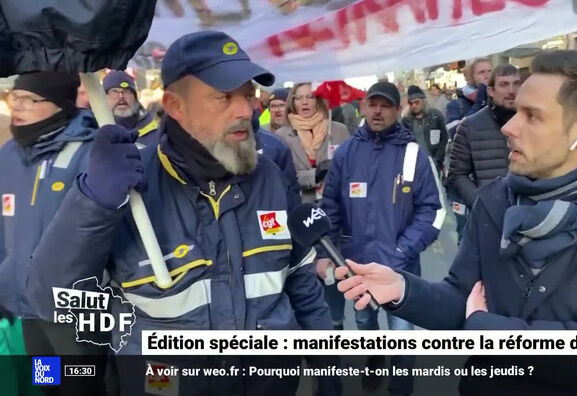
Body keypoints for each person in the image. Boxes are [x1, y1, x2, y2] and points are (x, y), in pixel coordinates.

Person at [335, 50, 577, 395]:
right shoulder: (496, 200)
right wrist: (403, 289)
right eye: (516, 112)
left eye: (532, 116)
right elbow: (462, 299)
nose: (509, 127)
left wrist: (484, 328)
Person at [26, 31, 332, 395]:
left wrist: (325, 363)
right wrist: (93, 201)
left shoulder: (268, 175)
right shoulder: (128, 187)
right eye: (224, 97)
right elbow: (50, 299)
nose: (246, 110)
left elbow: (297, 276)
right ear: (175, 106)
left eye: (248, 94)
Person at [320, 82, 445, 396]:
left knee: (402, 332)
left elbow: (433, 210)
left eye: (385, 105)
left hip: (400, 267)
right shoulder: (347, 152)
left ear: (397, 108)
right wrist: (334, 252)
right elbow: (331, 205)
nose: (377, 110)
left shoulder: (413, 153)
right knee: (364, 322)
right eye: (372, 104)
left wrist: (402, 248)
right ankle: (374, 358)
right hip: (357, 265)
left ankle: (400, 388)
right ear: (363, 107)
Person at [0, 72, 107, 394]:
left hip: (74, 313)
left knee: (81, 388)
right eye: (13, 97)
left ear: (59, 105)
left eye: (29, 100)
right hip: (27, 307)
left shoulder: (91, 151)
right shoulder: (9, 154)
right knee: (47, 385)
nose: (17, 106)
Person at [445, 64, 521, 243]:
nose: (511, 90)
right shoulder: (471, 126)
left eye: (516, 83)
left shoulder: (534, 122)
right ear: (491, 91)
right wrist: (480, 202)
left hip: (527, 217)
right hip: (487, 220)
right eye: (504, 85)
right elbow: (457, 174)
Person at [276, 82, 349, 203]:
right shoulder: (282, 135)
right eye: (299, 98)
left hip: (334, 204)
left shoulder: (338, 130)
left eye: (310, 97)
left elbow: (350, 168)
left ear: (318, 101)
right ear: (292, 102)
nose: (305, 102)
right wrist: (315, 174)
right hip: (301, 206)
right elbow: (283, 176)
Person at [103, 70, 159, 146]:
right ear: (104, 98)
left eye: (126, 91)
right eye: (114, 92)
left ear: (135, 98)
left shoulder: (155, 134)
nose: (121, 97)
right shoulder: (93, 131)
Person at [401, 85, 448, 171]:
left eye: (417, 102)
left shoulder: (436, 116)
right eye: (411, 103)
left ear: (423, 101)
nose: (414, 106)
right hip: (416, 165)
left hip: (435, 161)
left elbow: (444, 138)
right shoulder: (406, 121)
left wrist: (438, 158)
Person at [445, 57, 492, 138]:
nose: (487, 76)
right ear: (471, 77)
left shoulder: (498, 100)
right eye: (481, 72)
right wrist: (478, 104)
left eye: (490, 71)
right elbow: (455, 134)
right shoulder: (456, 105)